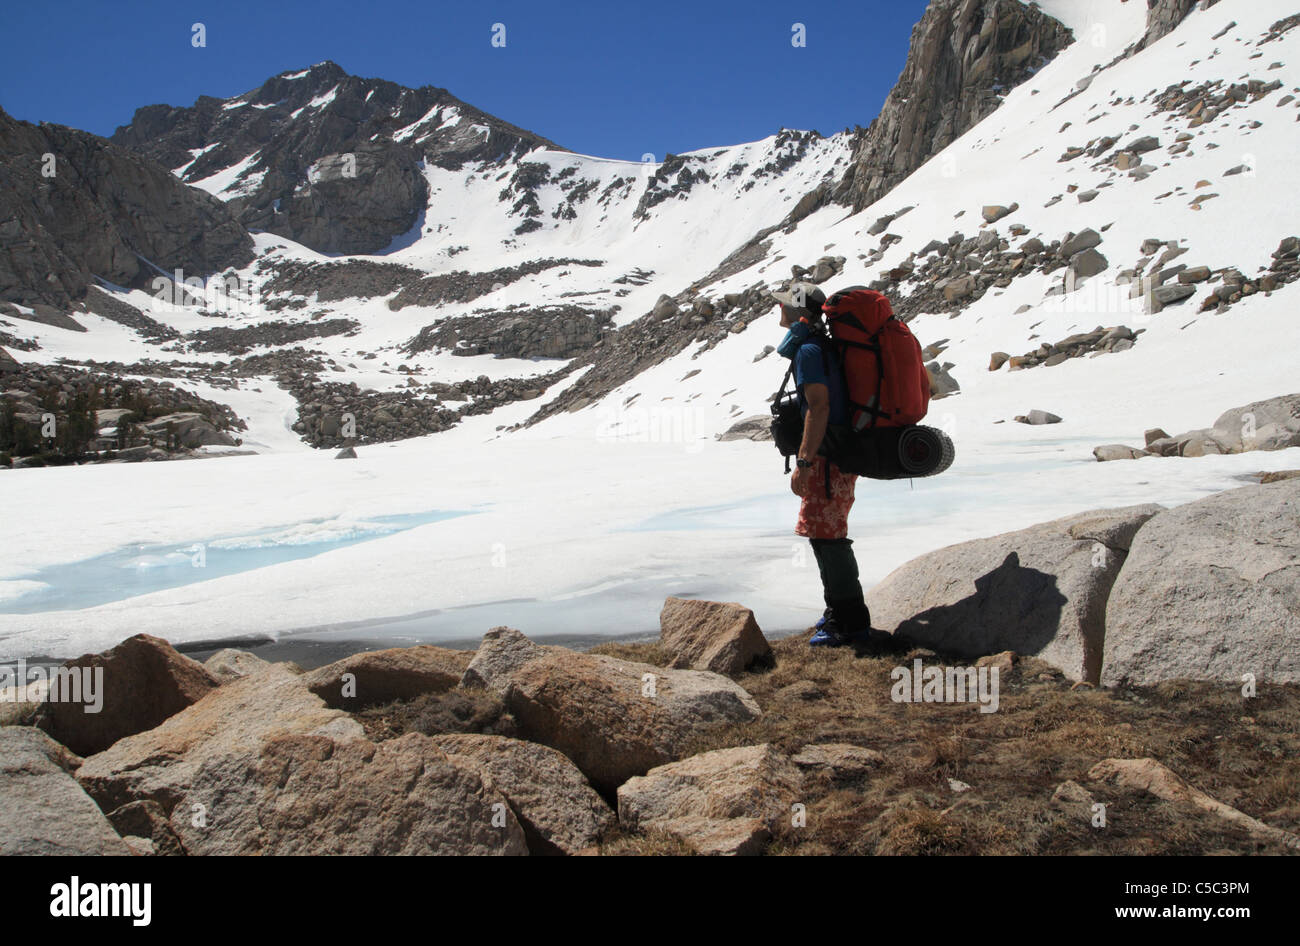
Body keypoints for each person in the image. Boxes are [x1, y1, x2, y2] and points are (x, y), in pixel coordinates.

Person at [771, 281, 873, 647]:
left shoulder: (810, 351)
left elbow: (819, 407)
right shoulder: (820, 346)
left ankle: (851, 624)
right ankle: (839, 612)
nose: (777, 309)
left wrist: (805, 461)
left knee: (829, 539)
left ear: (799, 314)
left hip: (828, 459)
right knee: (824, 535)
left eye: (783, 304)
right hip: (834, 456)